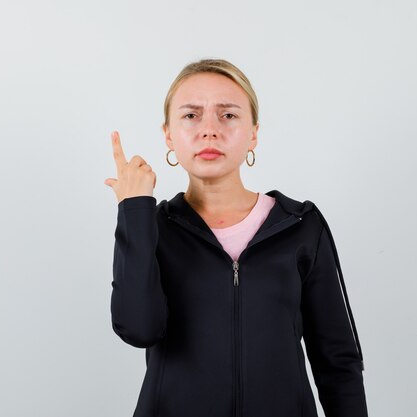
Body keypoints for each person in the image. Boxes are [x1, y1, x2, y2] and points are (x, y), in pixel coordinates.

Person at [104, 58, 368, 417]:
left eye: (228, 115)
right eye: (191, 115)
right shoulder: (152, 227)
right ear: (168, 134)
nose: (209, 130)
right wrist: (134, 209)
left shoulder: (300, 226)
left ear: (253, 133)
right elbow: (138, 328)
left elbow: (338, 362)